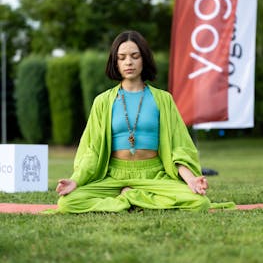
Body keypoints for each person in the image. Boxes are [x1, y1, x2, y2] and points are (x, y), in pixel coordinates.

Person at [55, 30, 235, 213]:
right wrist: (75, 181)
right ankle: (126, 199)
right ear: (115, 62)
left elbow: (178, 148)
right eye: (122, 57)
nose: (128, 62)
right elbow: (92, 151)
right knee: (67, 203)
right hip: (114, 177)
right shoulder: (102, 102)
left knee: (200, 203)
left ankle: (132, 196)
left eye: (135, 56)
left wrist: (191, 180)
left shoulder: (163, 99)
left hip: (154, 175)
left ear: (144, 59)